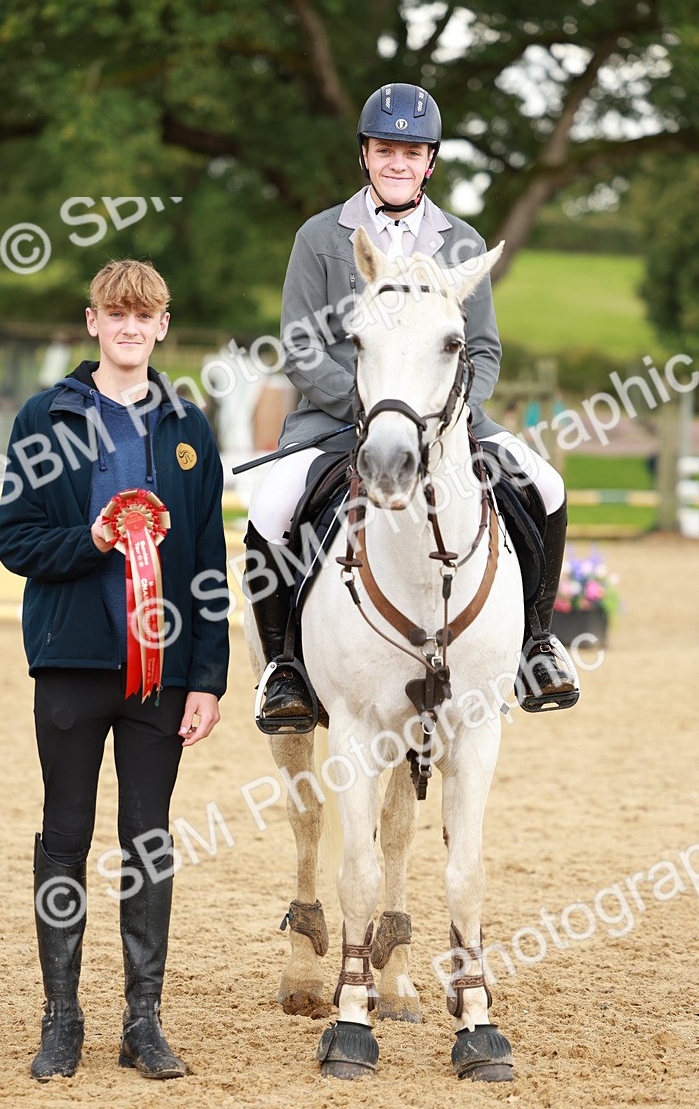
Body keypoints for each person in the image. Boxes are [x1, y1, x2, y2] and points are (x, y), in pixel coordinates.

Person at [246, 81, 577, 724]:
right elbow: (299, 344)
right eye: (386, 148)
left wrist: (449, 415)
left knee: (547, 484)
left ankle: (538, 642)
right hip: (339, 417)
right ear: (365, 154)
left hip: (446, 420)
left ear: (431, 161)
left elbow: (481, 349)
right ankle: (284, 665)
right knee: (272, 505)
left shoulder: (461, 241)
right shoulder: (319, 236)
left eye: (413, 151)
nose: (399, 162)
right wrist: (367, 407)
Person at [0, 259, 229, 1081]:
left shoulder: (191, 428)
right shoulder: (41, 417)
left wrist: (208, 677)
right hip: (69, 658)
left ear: (162, 327)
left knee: (149, 838)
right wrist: (90, 542)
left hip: (160, 673)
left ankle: (144, 1021)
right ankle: (62, 1020)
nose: (129, 328)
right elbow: (14, 539)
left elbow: (208, 564)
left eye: (145, 316)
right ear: (91, 322)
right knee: (65, 834)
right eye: (114, 314)